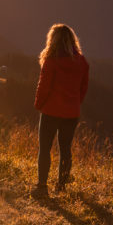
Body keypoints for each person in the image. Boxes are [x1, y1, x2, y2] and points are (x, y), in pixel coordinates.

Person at [32, 23, 89, 199]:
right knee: (65, 149)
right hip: (71, 113)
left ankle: (42, 187)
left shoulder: (51, 61)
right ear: (72, 40)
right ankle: (61, 186)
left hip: (50, 110)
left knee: (45, 149)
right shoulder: (82, 62)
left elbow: (44, 87)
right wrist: (74, 104)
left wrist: (39, 105)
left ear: (53, 40)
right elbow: (83, 88)